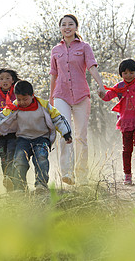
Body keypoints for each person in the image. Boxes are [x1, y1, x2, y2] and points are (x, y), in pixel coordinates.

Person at [49, 14, 106, 186]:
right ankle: (67, 173)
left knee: (81, 136)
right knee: (65, 134)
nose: (67, 27)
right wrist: (51, 98)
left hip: (81, 95)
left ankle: (82, 176)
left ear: (76, 27)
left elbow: (92, 67)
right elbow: (53, 74)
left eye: (70, 24)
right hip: (61, 95)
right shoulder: (55, 50)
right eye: (64, 24)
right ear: (60, 28)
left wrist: (101, 85)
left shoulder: (84, 47)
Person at [0, 80, 72, 192]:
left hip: (41, 138)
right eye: (19, 99)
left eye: (25, 99)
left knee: (41, 158)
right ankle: (20, 187)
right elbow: (0, 116)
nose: (22, 102)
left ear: (32, 95)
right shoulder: (14, 106)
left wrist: (66, 133)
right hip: (23, 139)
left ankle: (41, 185)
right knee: (19, 160)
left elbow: (58, 118)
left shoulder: (43, 105)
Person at [102, 59, 135, 185]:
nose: (128, 75)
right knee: (127, 149)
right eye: (125, 73)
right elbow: (108, 96)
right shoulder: (119, 87)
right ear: (121, 74)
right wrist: (101, 93)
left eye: (131, 72)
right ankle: (127, 175)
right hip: (125, 122)